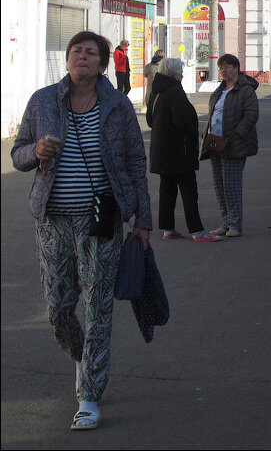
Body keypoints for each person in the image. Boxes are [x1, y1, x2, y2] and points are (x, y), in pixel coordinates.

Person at [11, 30, 152, 430]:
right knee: (59, 308)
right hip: (52, 220)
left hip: (101, 222)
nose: (82, 57)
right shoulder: (42, 101)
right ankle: (82, 356)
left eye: (91, 53)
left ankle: (89, 395)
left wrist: (142, 221)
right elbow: (18, 152)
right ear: (68, 59)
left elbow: (134, 165)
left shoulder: (119, 107)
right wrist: (34, 152)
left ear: (103, 64)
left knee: (97, 308)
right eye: (76, 51)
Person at [146, 58, 222, 243]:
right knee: (189, 191)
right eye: (180, 71)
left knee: (167, 189)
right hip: (179, 151)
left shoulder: (156, 91)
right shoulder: (175, 92)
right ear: (173, 73)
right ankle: (197, 230)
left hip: (161, 150)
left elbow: (149, 120)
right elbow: (183, 122)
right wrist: (193, 130)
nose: (182, 74)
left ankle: (168, 228)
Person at [201, 54, 259, 237]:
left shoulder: (245, 90)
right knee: (220, 186)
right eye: (221, 68)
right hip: (215, 143)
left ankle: (235, 225)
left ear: (236, 68)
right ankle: (225, 223)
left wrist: (235, 135)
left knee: (231, 186)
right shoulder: (219, 90)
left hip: (234, 144)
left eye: (226, 67)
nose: (223, 71)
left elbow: (251, 115)